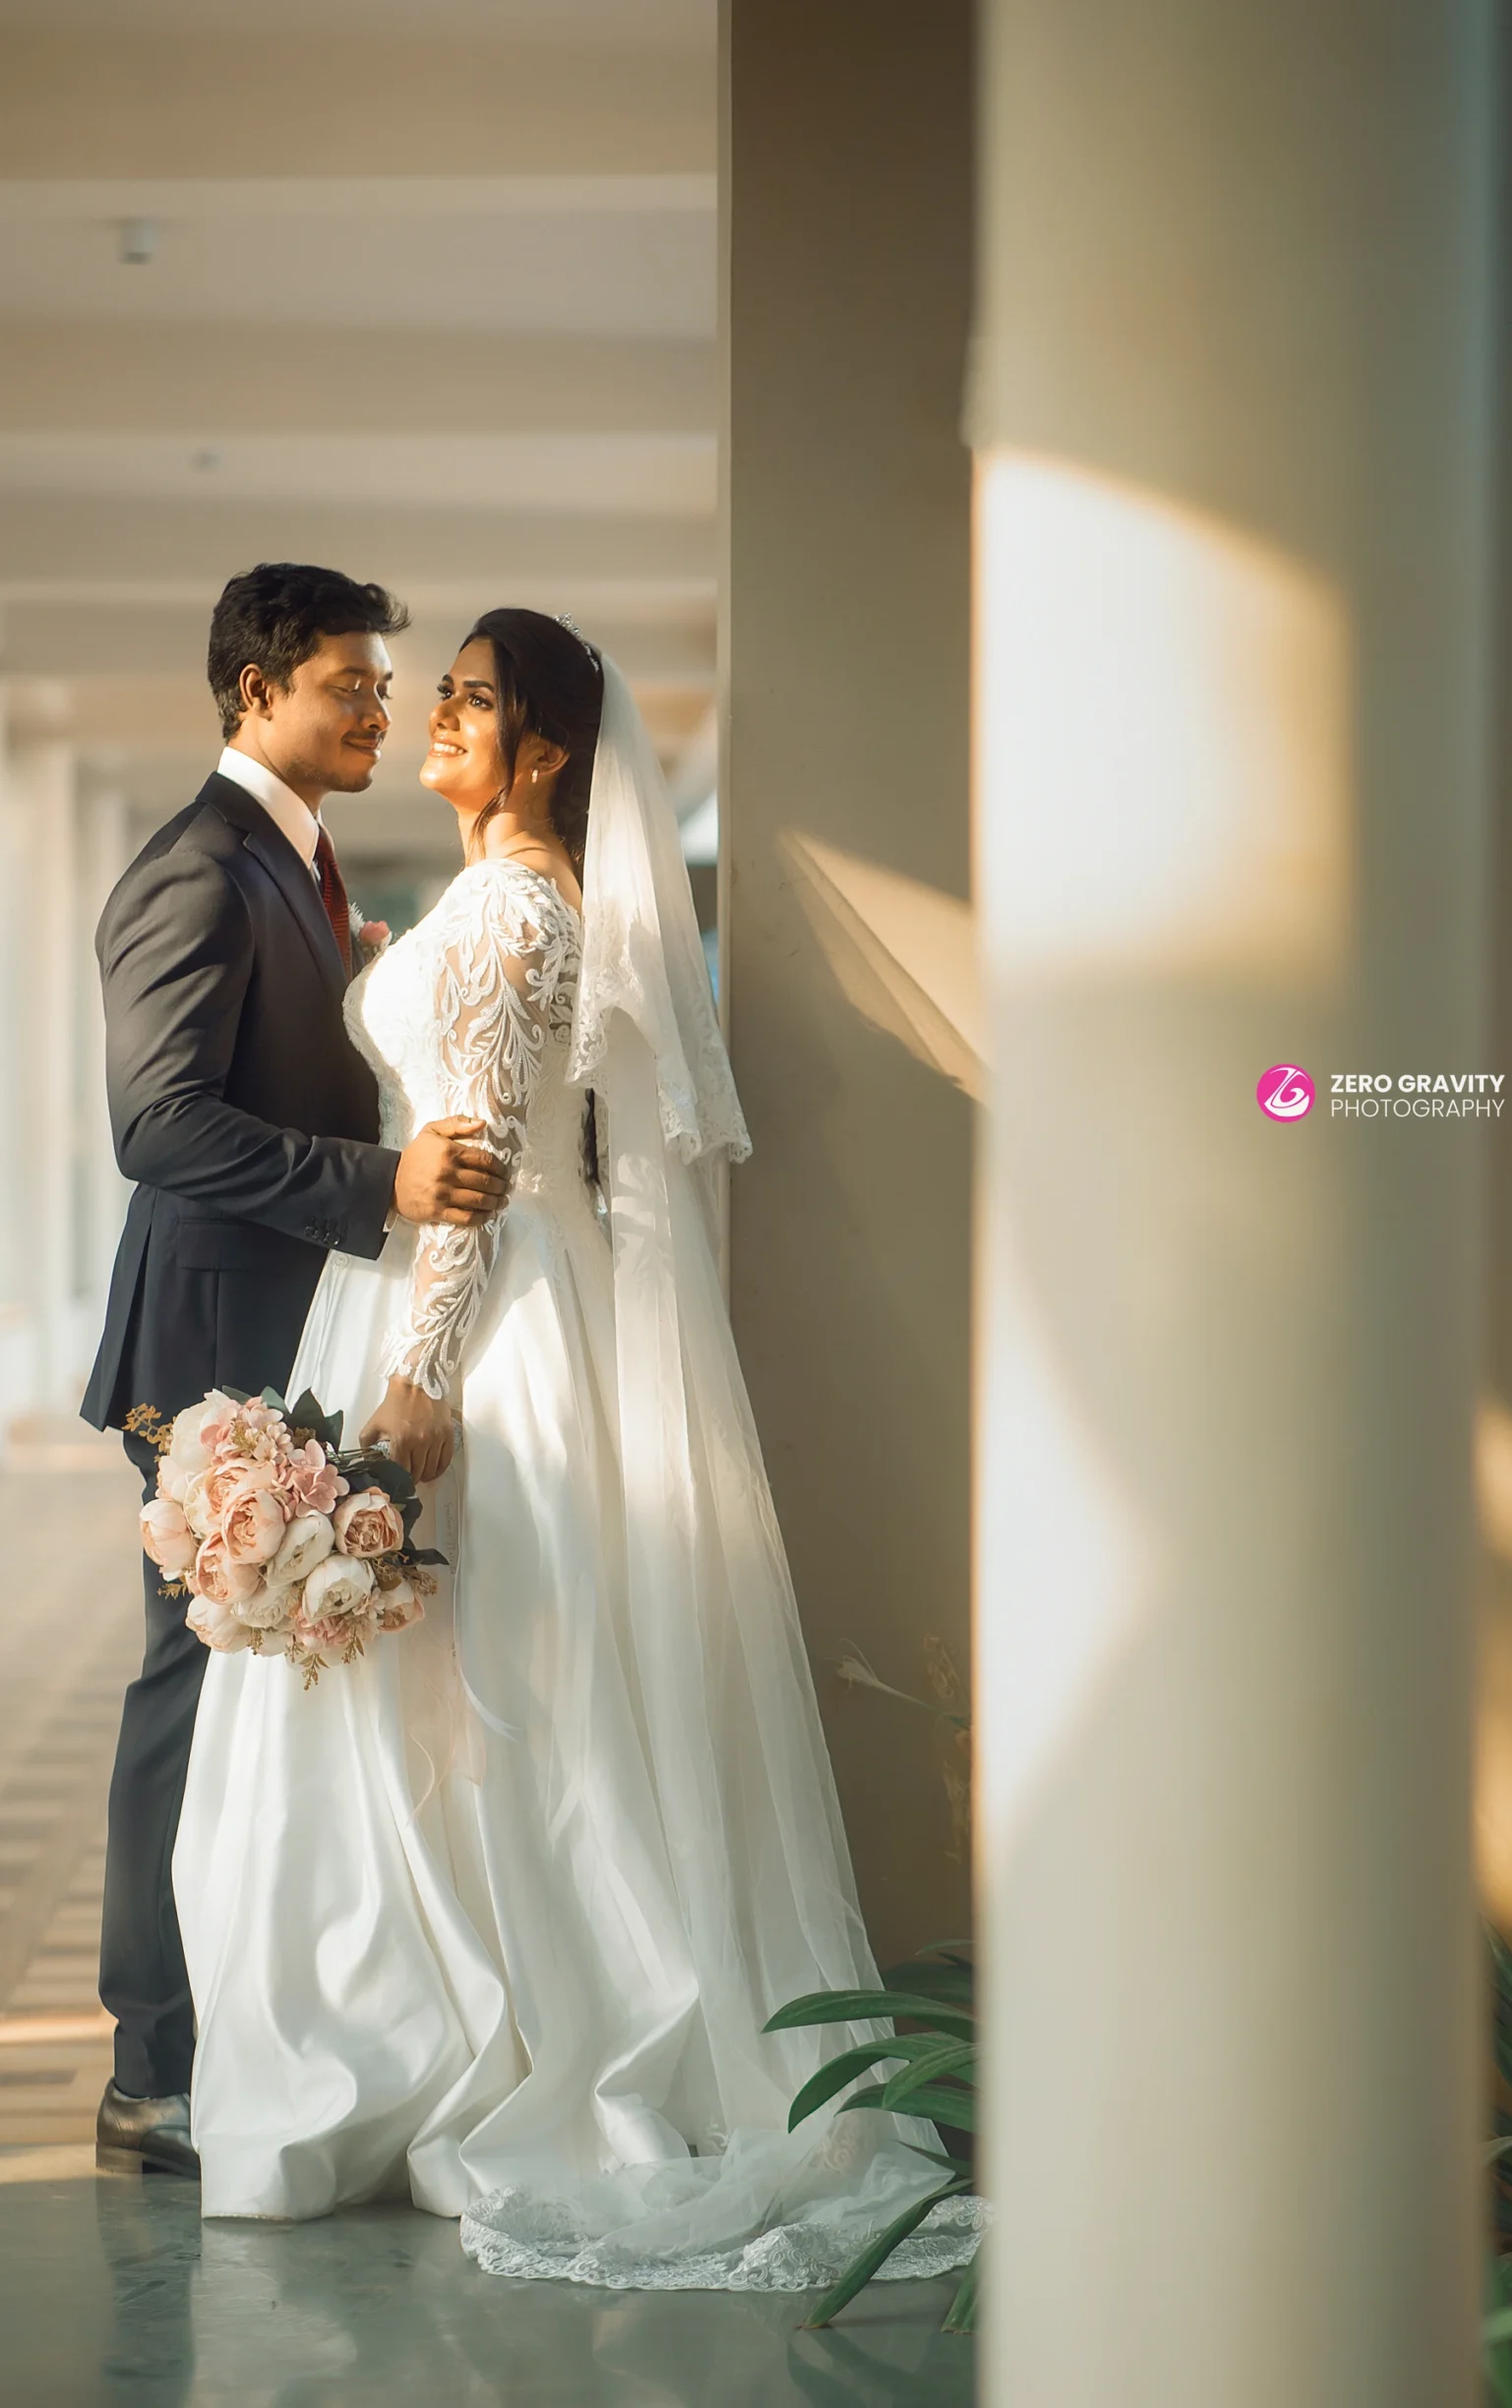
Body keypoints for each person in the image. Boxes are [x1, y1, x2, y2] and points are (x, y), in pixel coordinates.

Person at [171, 610, 979, 2293]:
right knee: (481, 1696)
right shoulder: (513, 904)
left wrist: (418, 1382)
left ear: (543, 749)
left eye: (471, 699)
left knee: (479, 1693)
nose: (437, 717)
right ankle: (487, 2020)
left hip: (469, 1324)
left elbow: (471, 1162)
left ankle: (479, 2042)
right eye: (444, 692)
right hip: (491, 1295)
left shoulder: (514, 911)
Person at [83, 564, 512, 2177]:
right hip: (205, 1341)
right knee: (190, 1691)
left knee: (256, 1696)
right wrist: (379, 1182)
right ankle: (152, 2073)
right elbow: (159, 1123)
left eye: (387, 687)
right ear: (257, 690)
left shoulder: (296, 859)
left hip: (280, 1322)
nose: (381, 711)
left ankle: (255, 2026)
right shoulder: (197, 865)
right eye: (351, 684)